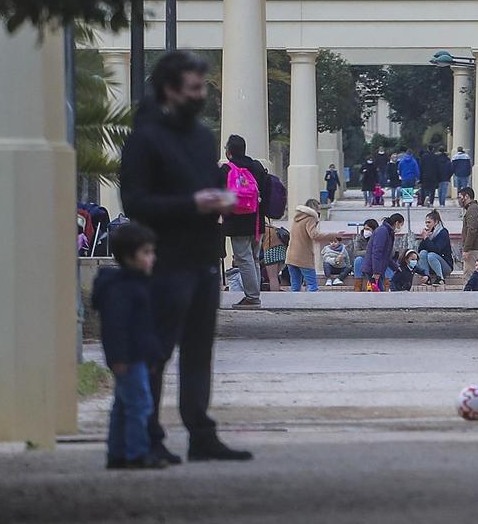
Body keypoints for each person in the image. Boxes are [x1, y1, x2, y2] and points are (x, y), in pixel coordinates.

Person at [117, 50, 251, 464]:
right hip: (163, 260)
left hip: (203, 257)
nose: (201, 96)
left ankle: (200, 431)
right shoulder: (145, 138)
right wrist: (192, 203)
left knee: (199, 350)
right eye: (193, 89)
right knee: (156, 351)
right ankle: (148, 435)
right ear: (171, 89)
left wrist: (220, 199)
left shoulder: (202, 138)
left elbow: (206, 184)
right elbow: (135, 201)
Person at [91, 223, 167, 471]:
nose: (151, 258)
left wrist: (153, 354)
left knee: (123, 404)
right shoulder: (122, 289)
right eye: (146, 252)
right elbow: (117, 326)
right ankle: (137, 452)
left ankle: (118, 452)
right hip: (128, 356)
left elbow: (145, 327)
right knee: (140, 404)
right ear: (129, 256)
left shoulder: (137, 284)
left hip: (137, 355)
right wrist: (119, 356)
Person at [221, 133, 277, 308]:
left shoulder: (226, 169)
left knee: (243, 259)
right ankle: (254, 293)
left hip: (237, 222)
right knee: (252, 258)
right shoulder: (257, 167)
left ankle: (252, 297)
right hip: (257, 221)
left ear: (229, 152)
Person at [285, 203, 343, 292]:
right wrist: (333, 235)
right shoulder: (310, 219)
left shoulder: (297, 218)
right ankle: (310, 304)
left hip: (291, 256)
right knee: (312, 285)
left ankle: (294, 304)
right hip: (303, 257)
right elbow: (314, 235)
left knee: (295, 286)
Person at [415, 209, 454, 285]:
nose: (427, 225)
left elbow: (436, 250)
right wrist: (424, 239)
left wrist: (426, 239)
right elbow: (420, 250)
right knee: (423, 253)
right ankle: (427, 277)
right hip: (431, 266)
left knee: (431, 255)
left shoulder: (443, 232)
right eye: (426, 222)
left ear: (436, 222)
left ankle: (440, 278)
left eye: (429, 222)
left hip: (445, 266)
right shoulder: (429, 233)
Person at [457, 185, 478, 266]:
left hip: (473, 250)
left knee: (469, 276)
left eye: (460, 197)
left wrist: (466, 249)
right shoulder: (475, 208)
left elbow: (472, 230)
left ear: (466, 196)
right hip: (476, 248)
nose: (458, 200)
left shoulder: (472, 210)